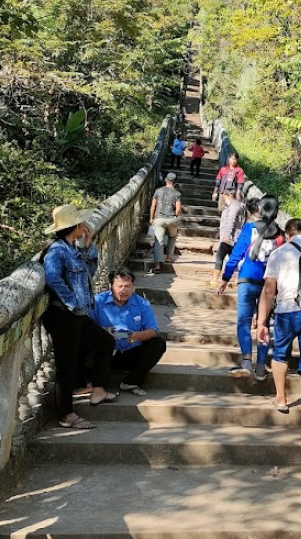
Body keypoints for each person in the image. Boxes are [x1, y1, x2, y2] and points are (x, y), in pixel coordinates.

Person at [40, 204, 117, 430]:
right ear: (76, 226)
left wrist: (89, 244)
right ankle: (66, 415)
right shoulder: (57, 250)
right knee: (67, 365)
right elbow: (53, 279)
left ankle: (100, 388)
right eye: (82, 224)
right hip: (63, 315)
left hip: (77, 315)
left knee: (105, 342)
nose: (85, 226)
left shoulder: (72, 248)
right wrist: (72, 302)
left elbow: (89, 272)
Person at [255, 218, 301, 444]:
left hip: (286, 312)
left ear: (287, 234)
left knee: (280, 354)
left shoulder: (279, 253)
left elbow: (268, 291)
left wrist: (262, 322)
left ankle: (281, 398)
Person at [217, 195, 283, 380]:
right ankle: (261, 367)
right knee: (263, 324)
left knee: (243, 322)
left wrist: (225, 277)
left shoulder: (249, 228)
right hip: (268, 286)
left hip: (246, 279)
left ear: (260, 210)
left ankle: (246, 361)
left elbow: (236, 255)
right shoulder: (281, 236)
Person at [89, 267, 167, 396]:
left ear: (133, 287)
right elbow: (87, 328)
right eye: (119, 286)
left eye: (127, 286)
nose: (123, 290)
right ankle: (92, 382)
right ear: (110, 286)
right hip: (105, 355)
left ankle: (131, 382)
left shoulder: (142, 304)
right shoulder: (97, 302)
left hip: (131, 352)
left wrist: (137, 336)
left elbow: (153, 330)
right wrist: (104, 332)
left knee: (158, 343)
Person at [209, 191, 247, 287]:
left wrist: (226, 236)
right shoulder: (239, 207)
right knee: (234, 259)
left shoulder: (234, 207)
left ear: (230, 195)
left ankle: (214, 279)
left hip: (230, 238)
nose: (223, 199)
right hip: (235, 237)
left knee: (220, 257)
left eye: (224, 197)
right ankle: (236, 280)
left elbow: (231, 221)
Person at [149, 172, 182, 273]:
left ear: (165, 180)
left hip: (159, 219)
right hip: (171, 218)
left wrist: (151, 218)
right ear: (175, 183)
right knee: (172, 236)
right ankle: (168, 257)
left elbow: (153, 206)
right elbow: (178, 209)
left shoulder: (158, 191)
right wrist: (175, 216)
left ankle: (157, 265)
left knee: (159, 241)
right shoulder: (177, 193)